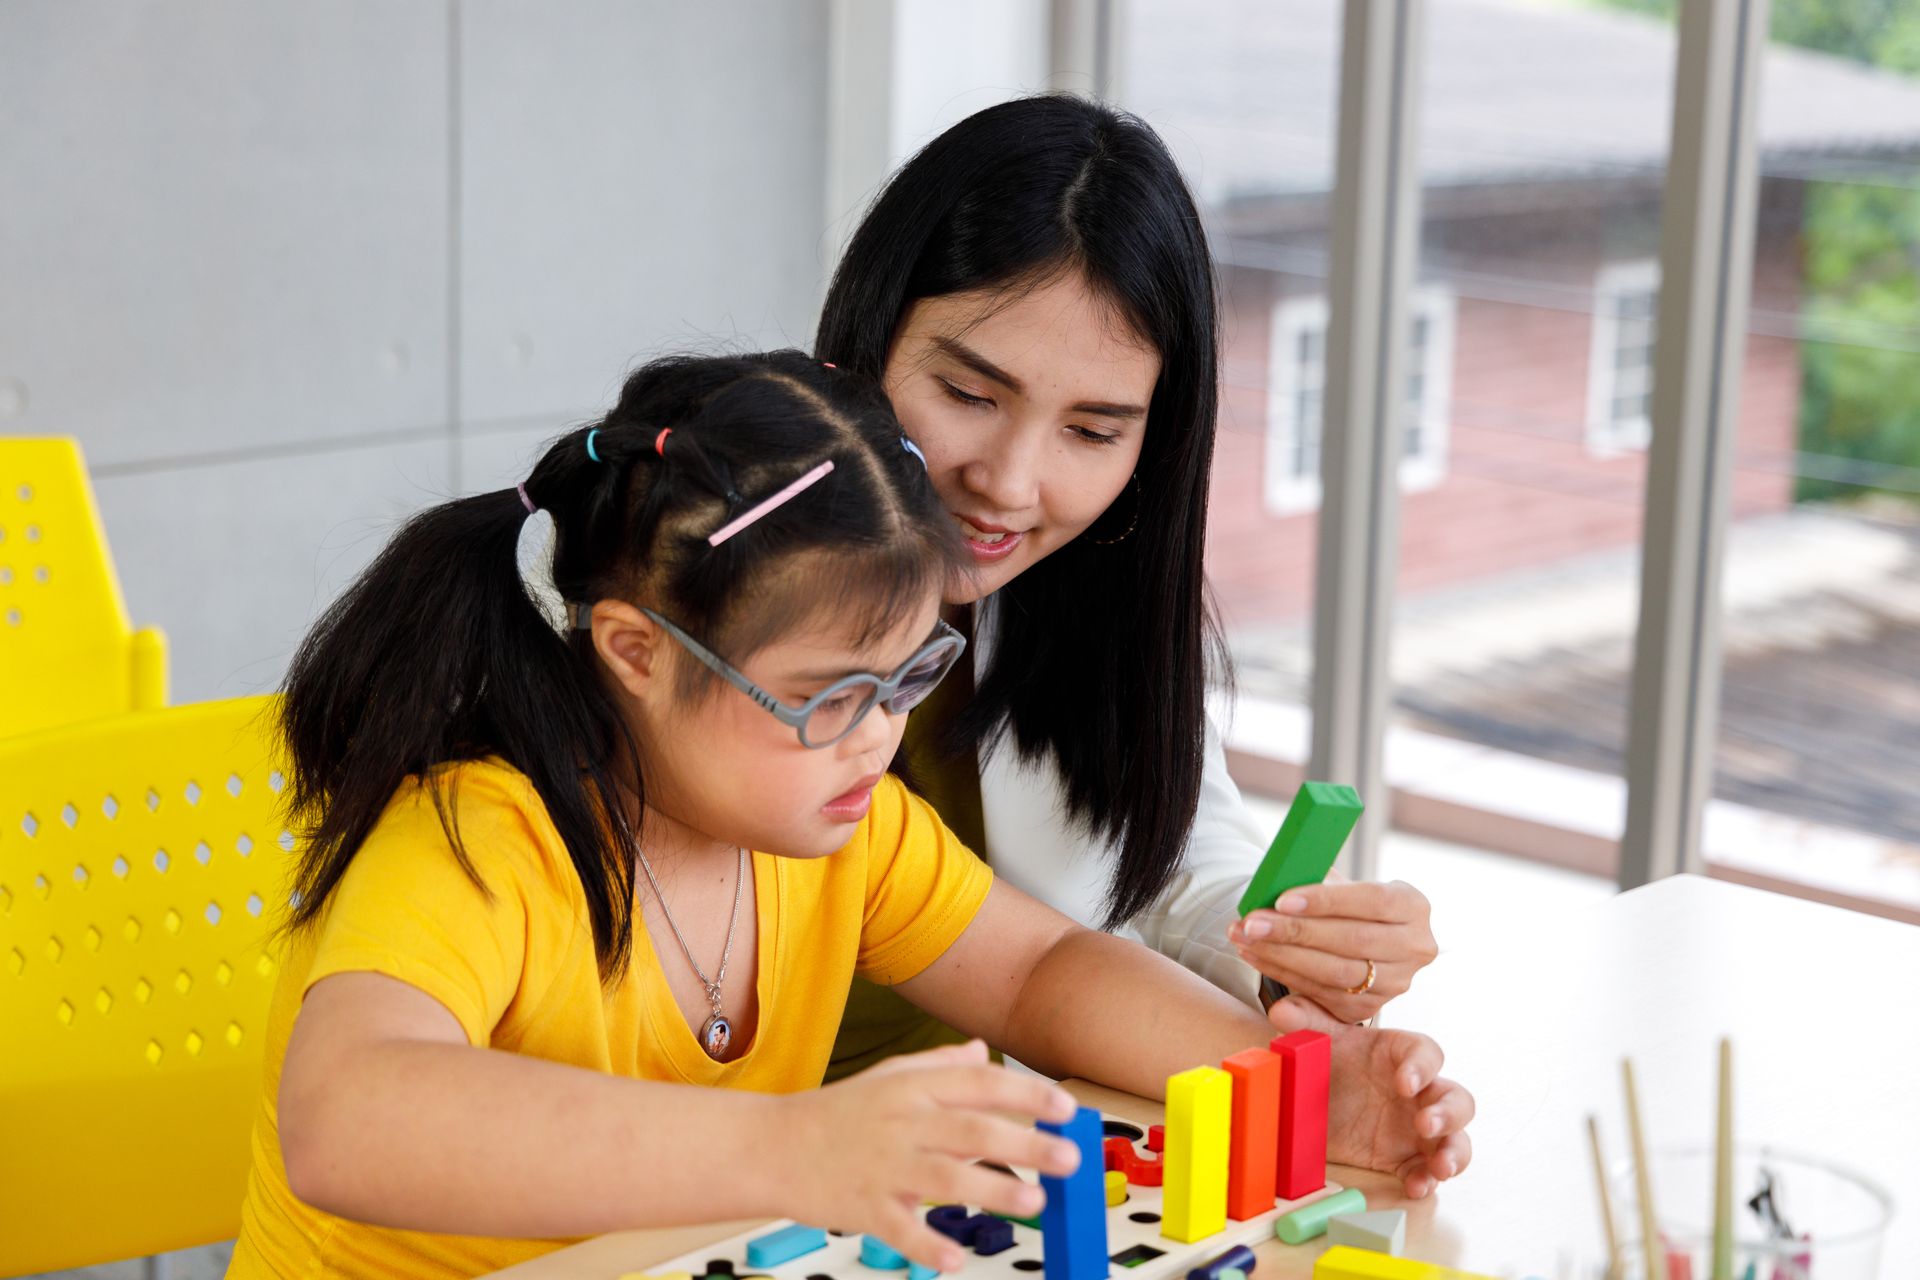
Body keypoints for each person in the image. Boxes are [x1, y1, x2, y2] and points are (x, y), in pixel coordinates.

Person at [227, 351, 1473, 1279]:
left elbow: (1041, 971)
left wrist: (1296, 1086)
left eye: (908, 677)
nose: (878, 734)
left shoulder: (840, 827)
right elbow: (346, 1116)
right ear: (636, 652)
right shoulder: (480, 837)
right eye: (828, 695)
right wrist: (794, 1145)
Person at [814, 95, 1439, 1077]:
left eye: (1094, 431)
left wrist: (1291, 951)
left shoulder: (1091, 588)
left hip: (997, 1161)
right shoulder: (696, 590)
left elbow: (1161, 867)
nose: (1011, 483)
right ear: (865, 339)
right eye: (971, 396)